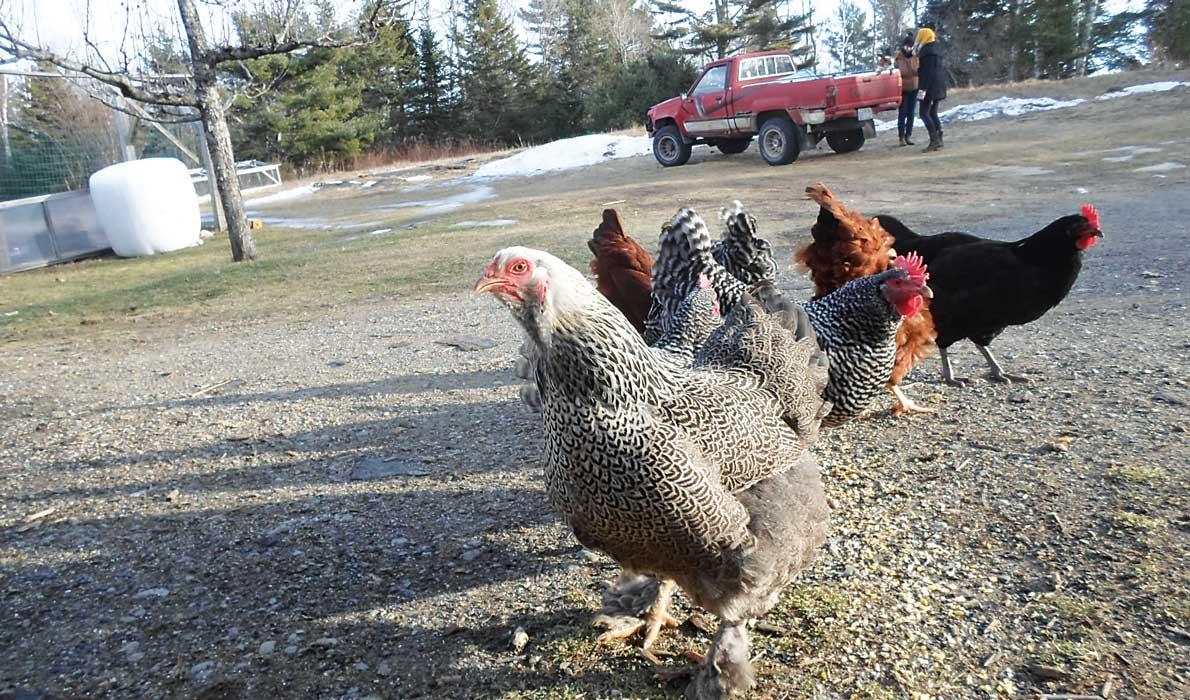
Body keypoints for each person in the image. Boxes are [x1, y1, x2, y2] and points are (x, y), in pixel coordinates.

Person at [915, 26, 947, 152]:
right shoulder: (936, 50)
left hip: (929, 88)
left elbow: (927, 73)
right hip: (938, 86)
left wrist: (922, 90)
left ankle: (934, 140)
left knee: (924, 113)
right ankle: (939, 139)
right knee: (933, 113)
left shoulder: (927, 52)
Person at [894, 35, 919, 146]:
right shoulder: (899, 58)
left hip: (914, 88)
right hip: (903, 89)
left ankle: (908, 135)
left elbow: (917, 70)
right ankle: (901, 137)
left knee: (911, 113)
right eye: (907, 46)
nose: (908, 48)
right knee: (902, 114)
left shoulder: (915, 57)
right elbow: (903, 72)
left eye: (910, 46)